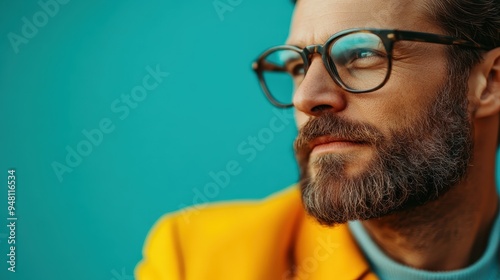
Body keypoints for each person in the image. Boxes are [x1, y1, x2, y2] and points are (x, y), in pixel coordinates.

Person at [136, 0, 500, 279]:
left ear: (491, 82)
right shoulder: (197, 262)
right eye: (298, 67)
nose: (305, 97)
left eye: (362, 53)